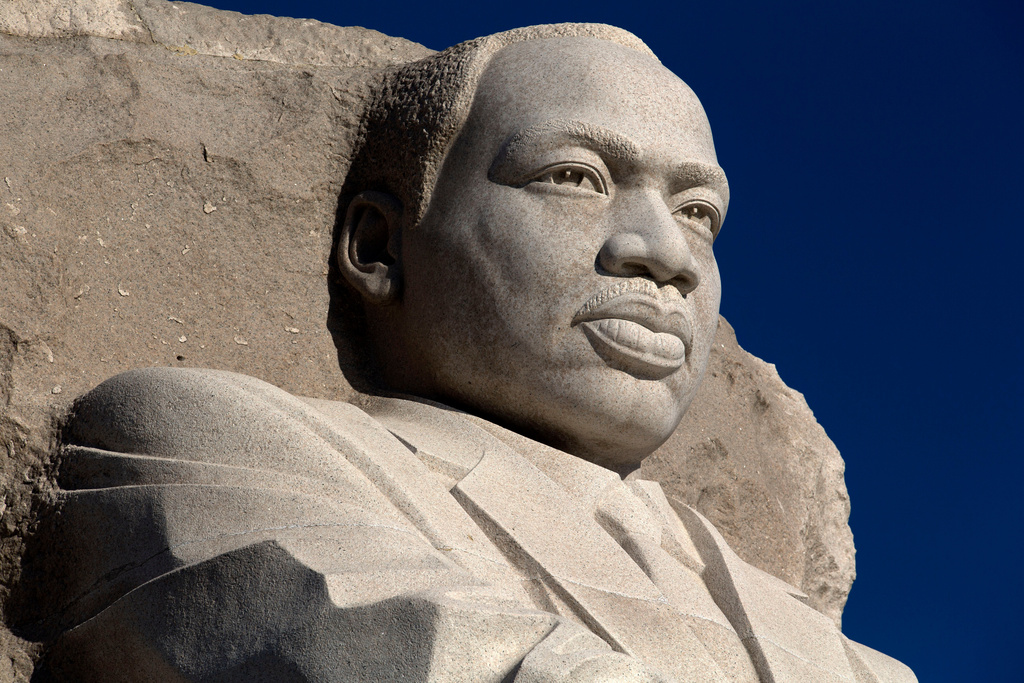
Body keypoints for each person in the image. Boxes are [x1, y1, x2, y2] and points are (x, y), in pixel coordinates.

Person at [25, 23, 916, 682]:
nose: (669, 254)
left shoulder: (838, 651)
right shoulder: (191, 438)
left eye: (699, 213)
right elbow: (410, 645)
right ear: (378, 247)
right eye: (575, 177)